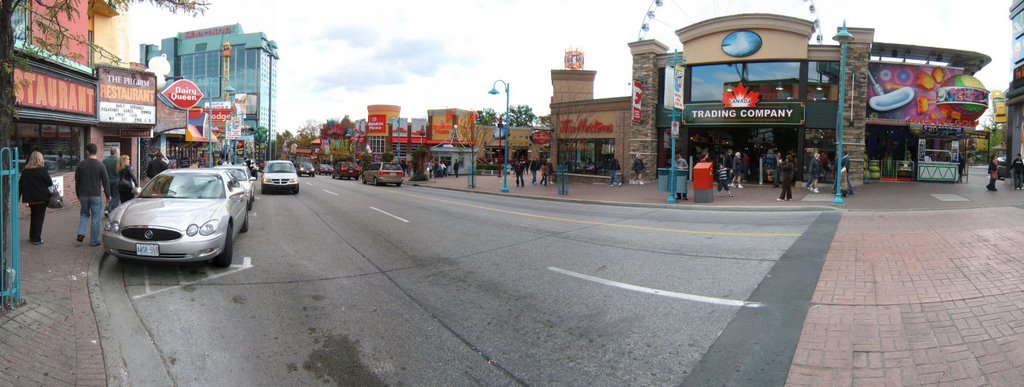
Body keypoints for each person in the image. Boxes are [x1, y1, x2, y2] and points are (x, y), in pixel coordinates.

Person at [75, 143, 110, 247]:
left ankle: (81, 233)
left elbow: (77, 181)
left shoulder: (80, 164)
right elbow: (105, 181)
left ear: (87, 152)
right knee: (95, 217)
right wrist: (108, 195)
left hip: (83, 195)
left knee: (84, 214)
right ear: (96, 151)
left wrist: (78, 194)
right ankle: (94, 241)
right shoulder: (100, 165)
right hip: (95, 195)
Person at [19, 151, 53, 245]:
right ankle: (37, 239)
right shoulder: (42, 170)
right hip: (41, 199)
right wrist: (53, 194)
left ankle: (32, 236)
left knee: (33, 216)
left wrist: (17, 198)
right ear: (40, 159)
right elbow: (50, 184)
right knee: (39, 218)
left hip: (30, 199)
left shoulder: (25, 171)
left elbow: (20, 185)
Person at [102, 147, 120, 216]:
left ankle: (107, 208)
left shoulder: (105, 161)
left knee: (108, 196)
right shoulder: (119, 160)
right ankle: (110, 209)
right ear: (116, 152)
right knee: (116, 197)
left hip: (107, 181)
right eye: (118, 152)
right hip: (116, 181)